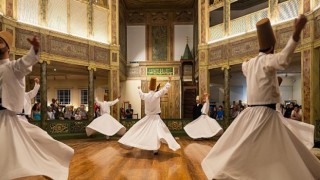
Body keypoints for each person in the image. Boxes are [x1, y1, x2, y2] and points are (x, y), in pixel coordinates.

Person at [201, 15, 320, 179]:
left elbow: (244, 66)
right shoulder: (267, 61)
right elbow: (284, 59)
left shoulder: (249, 64)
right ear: (272, 47)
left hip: (250, 114)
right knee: (278, 149)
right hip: (266, 115)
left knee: (243, 147)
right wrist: (296, 33)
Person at [0, 31, 74, 179]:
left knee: (36, 142)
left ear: (8, 48)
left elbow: (26, 62)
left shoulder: (13, 67)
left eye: (1, 41)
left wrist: (34, 49)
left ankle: (54, 162)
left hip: (7, 118)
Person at [118, 77, 180, 154]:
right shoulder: (157, 94)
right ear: (154, 88)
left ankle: (134, 142)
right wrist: (169, 81)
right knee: (157, 133)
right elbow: (164, 89)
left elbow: (141, 94)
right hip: (156, 118)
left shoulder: (146, 95)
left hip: (148, 118)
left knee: (138, 129)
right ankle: (155, 150)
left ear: (149, 87)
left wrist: (139, 88)